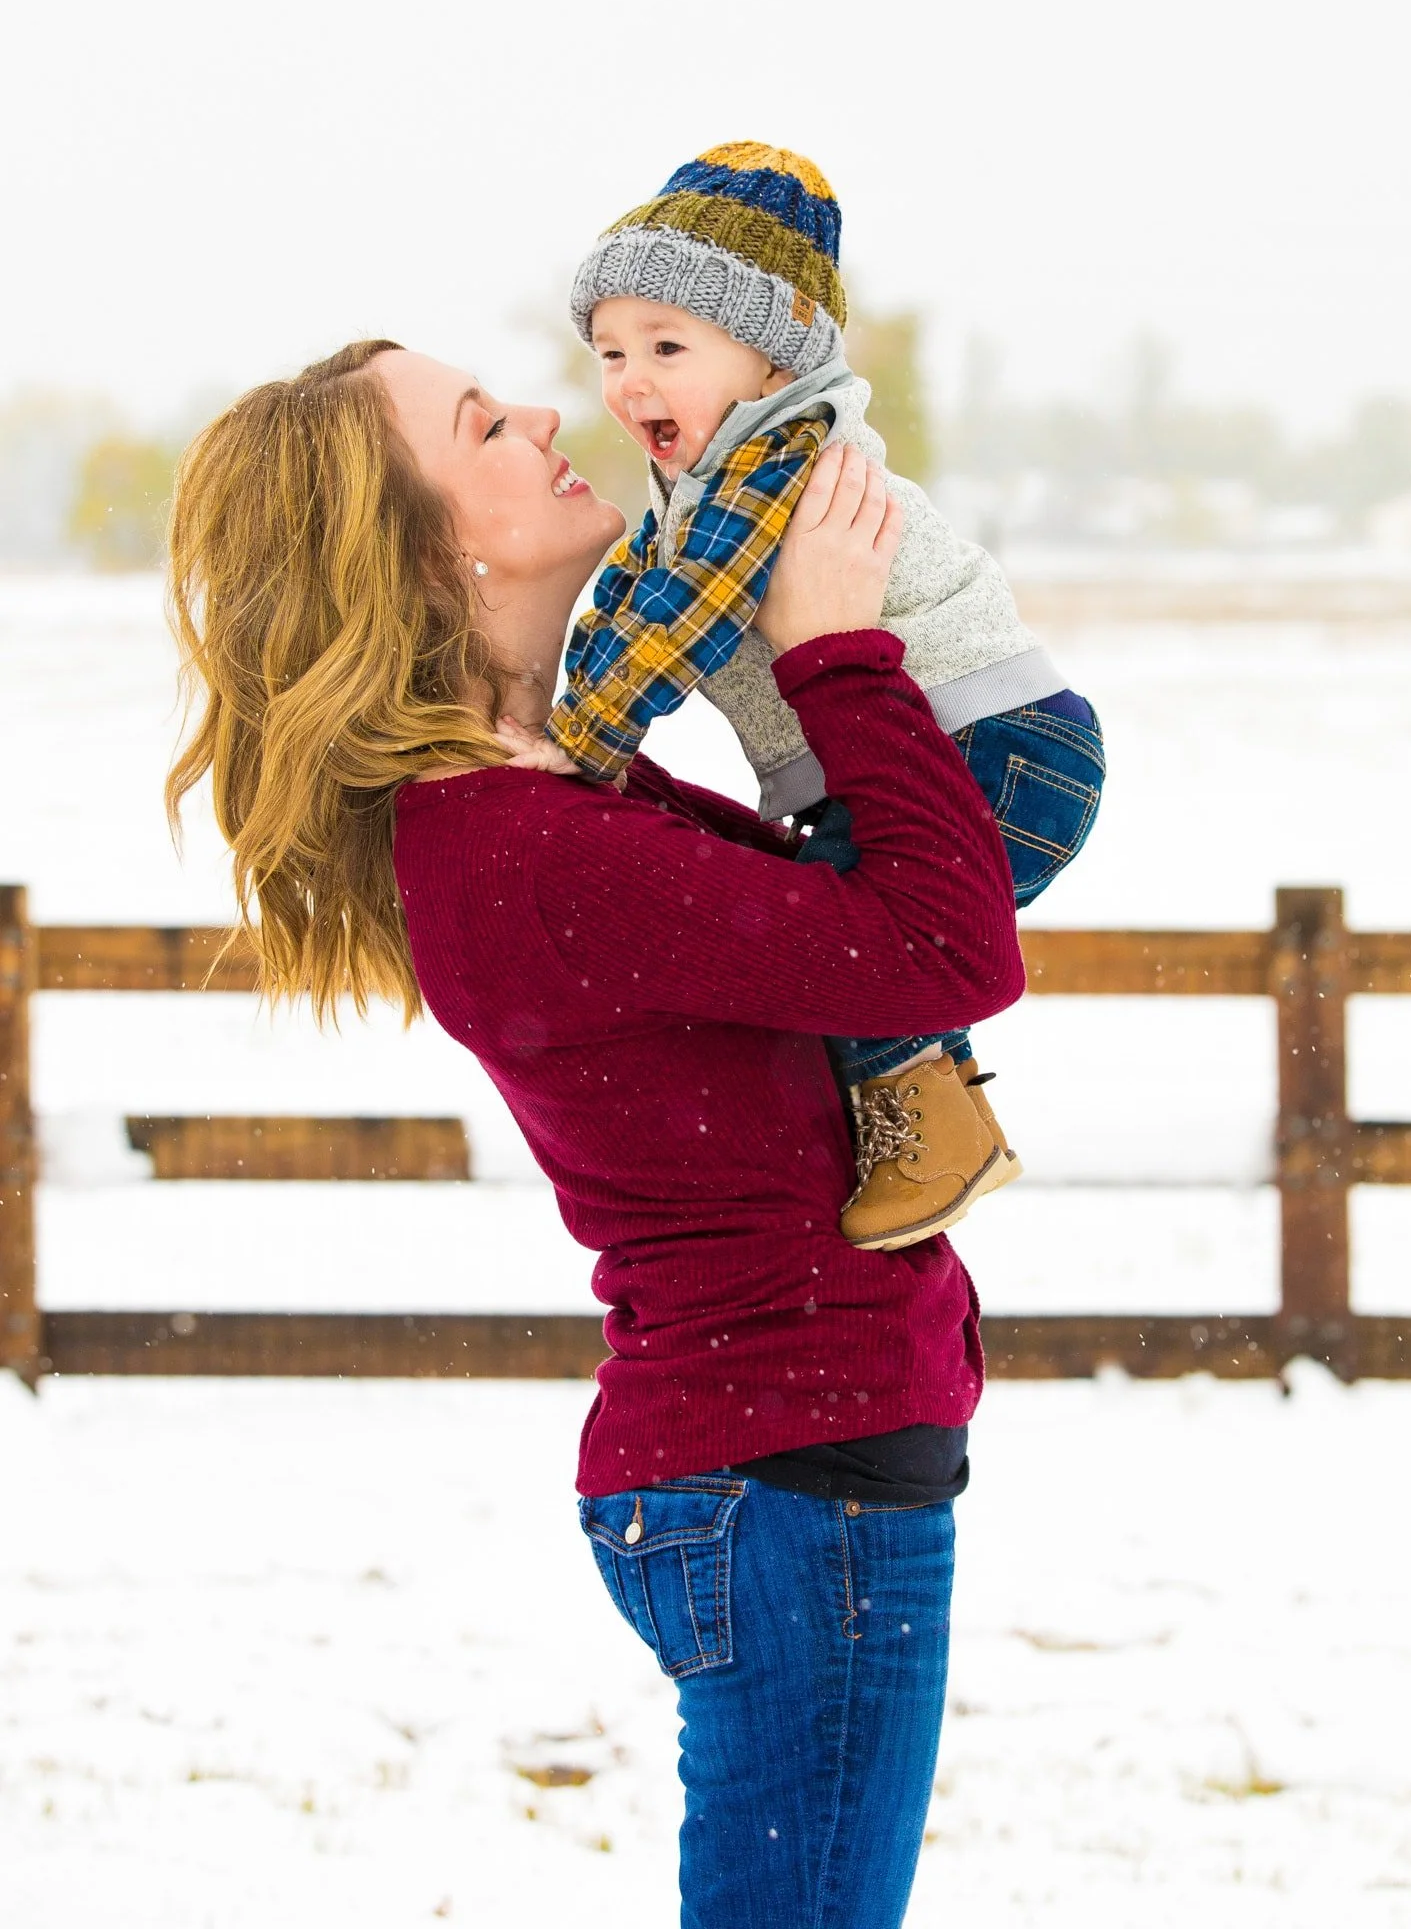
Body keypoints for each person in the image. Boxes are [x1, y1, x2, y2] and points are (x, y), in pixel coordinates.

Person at [165, 337, 1028, 1929]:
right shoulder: (517, 845)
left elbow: (859, 936)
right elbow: (945, 950)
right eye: (484, 426)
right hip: (786, 1478)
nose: (546, 413)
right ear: (423, 549)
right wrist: (836, 656)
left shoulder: (548, 792)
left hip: (788, 1469)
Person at [517, 140, 1105, 1256]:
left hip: (991, 743)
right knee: (846, 928)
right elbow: (633, 593)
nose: (627, 380)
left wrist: (582, 744)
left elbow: (680, 613)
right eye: (607, 351)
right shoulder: (708, 478)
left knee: (846, 947)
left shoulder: (779, 460)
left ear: (776, 363)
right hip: (968, 747)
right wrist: (565, 712)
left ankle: (932, 1137)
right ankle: (937, 1106)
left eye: (666, 347)